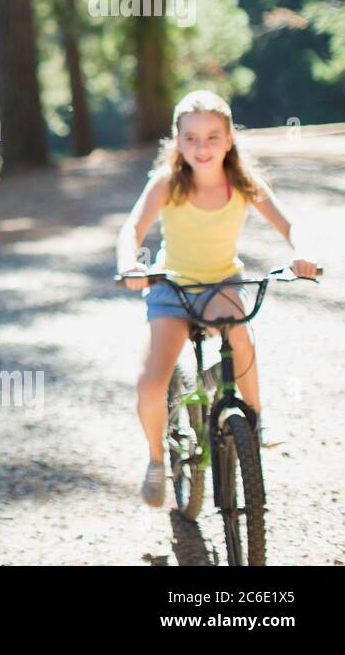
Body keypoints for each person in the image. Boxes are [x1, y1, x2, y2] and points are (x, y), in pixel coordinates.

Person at [116, 90, 318, 507]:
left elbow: (289, 224)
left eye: (211, 137)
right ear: (176, 141)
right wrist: (130, 265)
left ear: (229, 139)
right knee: (151, 384)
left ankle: (255, 420)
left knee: (241, 336)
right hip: (172, 288)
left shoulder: (243, 184)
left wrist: (302, 253)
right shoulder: (167, 184)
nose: (201, 147)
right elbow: (132, 229)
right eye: (190, 138)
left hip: (222, 283)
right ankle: (157, 460)